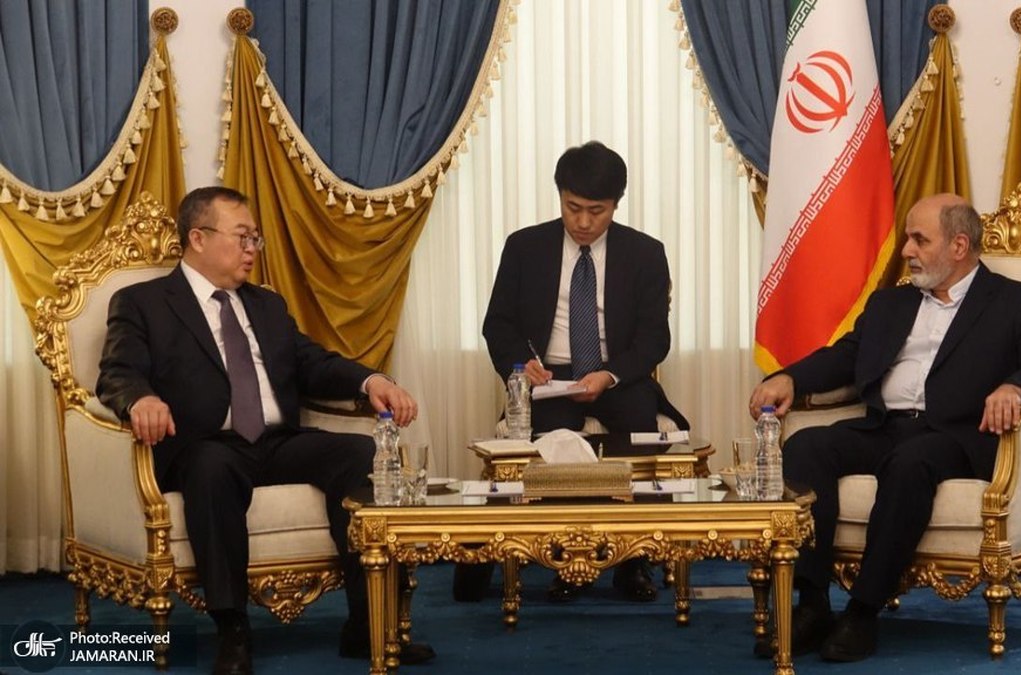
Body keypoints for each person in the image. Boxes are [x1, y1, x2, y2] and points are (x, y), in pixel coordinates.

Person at [96, 187, 434, 674]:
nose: (252, 248)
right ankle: (233, 629)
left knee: (361, 454)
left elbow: (311, 362)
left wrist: (371, 380)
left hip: (276, 443)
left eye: (255, 238)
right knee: (212, 466)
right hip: (204, 446)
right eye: (242, 237)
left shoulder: (266, 305)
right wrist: (140, 399)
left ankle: (367, 624)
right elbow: (117, 371)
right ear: (198, 238)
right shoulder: (143, 302)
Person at [747, 194, 1021, 662]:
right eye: (908, 239)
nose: (907, 250)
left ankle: (862, 612)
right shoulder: (890, 303)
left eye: (920, 240)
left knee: (910, 463)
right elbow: (847, 356)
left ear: (959, 246)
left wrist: (1015, 387)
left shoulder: (1015, 300)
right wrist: (790, 378)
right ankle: (812, 603)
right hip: (885, 426)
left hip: (953, 436)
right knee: (807, 446)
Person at [475, 141, 689, 603]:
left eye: (597, 211)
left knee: (638, 427)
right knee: (555, 437)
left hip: (617, 375)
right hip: (548, 377)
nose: (584, 222)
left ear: (616, 204)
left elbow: (655, 338)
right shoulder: (525, 247)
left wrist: (609, 375)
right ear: (560, 196)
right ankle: (565, 555)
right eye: (573, 208)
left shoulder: (645, 253)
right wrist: (521, 368)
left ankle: (634, 560)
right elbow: (499, 325)